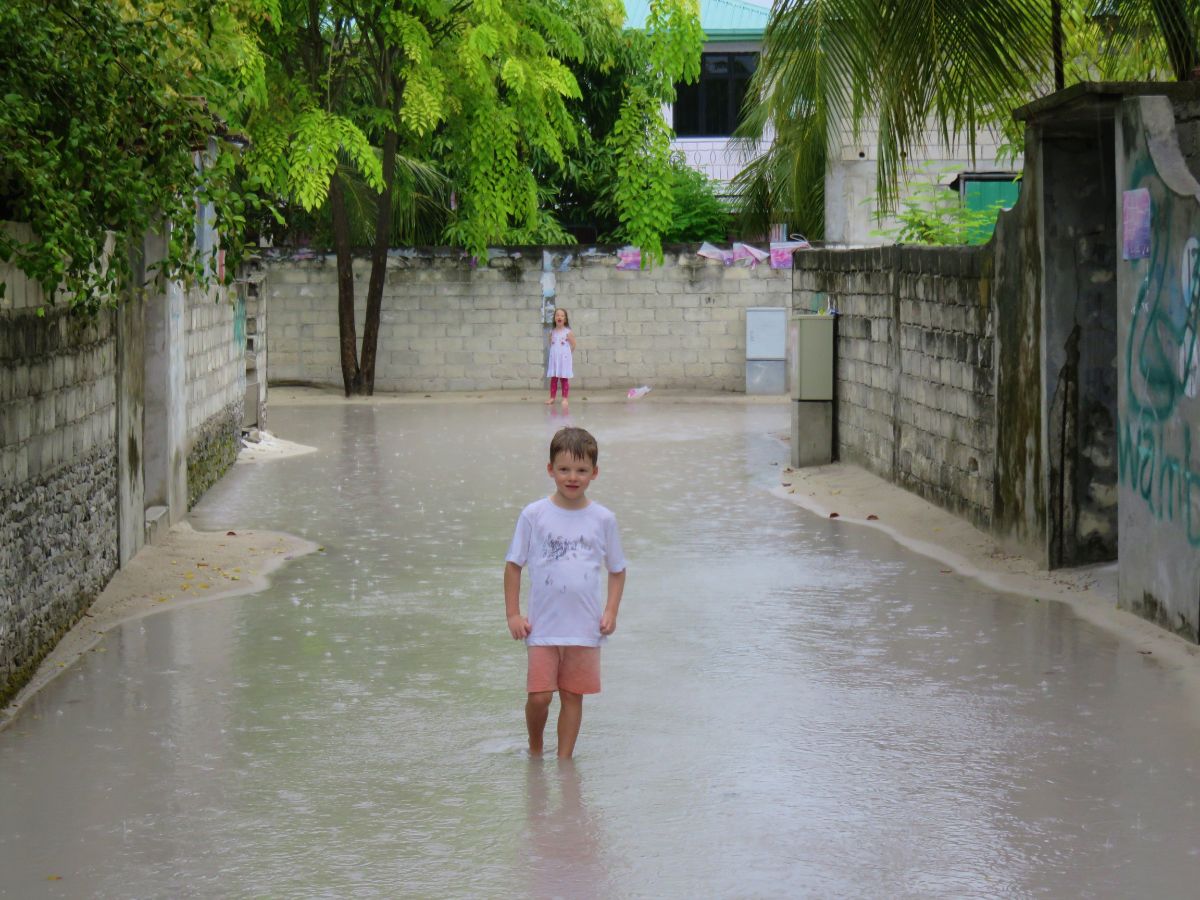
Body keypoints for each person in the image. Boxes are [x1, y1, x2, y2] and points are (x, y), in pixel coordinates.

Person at [504, 427, 626, 758]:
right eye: (564, 469)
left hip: (584, 627)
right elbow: (513, 565)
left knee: (573, 696)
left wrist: (611, 611)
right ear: (550, 470)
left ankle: (564, 764)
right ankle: (535, 749)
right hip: (542, 626)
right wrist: (513, 614)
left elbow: (617, 570)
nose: (573, 477)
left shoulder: (603, 519)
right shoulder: (534, 515)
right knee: (540, 696)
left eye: (582, 470)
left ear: (594, 473)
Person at [545, 308, 576, 411]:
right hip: (554, 359)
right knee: (554, 379)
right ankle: (552, 397)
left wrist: (567, 354)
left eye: (562, 316)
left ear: (565, 319)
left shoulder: (568, 332)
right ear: (554, 318)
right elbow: (551, 344)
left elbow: (574, 344)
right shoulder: (552, 332)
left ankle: (564, 398)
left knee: (564, 379)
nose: (559, 317)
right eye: (557, 315)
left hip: (564, 359)